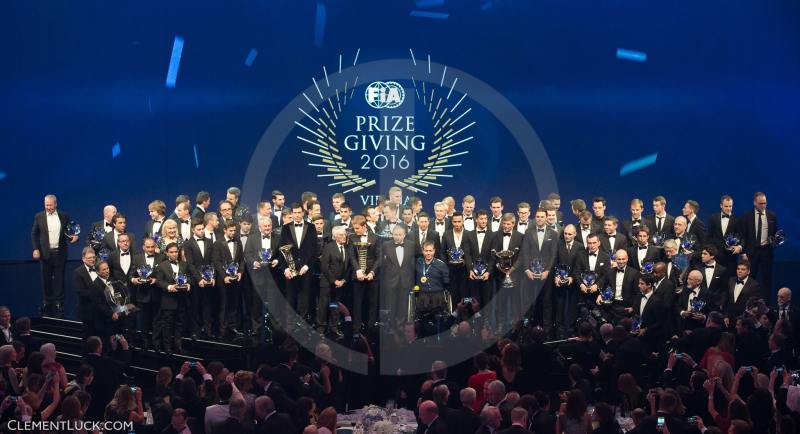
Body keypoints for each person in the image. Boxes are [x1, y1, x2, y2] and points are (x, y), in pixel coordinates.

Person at [31, 194, 78, 317]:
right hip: (45, 253)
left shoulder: (64, 215)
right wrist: (36, 249)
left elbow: (69, 232)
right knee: (45, 279)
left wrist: (74, 237)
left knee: (59, 279)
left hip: (60, 253)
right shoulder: (39, 216)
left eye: (50, 205)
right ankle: (47, 302)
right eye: (46, 205)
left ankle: (59, 303)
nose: (48, 207)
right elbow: (34, 234)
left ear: (55, 204)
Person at [279, 202, 318, 321]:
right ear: (292, 213)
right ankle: (291, 323)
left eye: (299, 212)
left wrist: (307, 266)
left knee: (305, 296)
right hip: (290, 268)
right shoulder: (285, 228)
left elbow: (313, 249)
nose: (297, 215)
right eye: (294, 213)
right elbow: (281, 249)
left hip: (305, 268)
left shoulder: (311, 227)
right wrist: (285, 268)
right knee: (291, 296)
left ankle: (303, 322)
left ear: (303, 213)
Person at [737, 192, 778, 301]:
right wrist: (743, 253)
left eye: (765, 203)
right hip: (751, 252)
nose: (763, 205)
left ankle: (766, 307)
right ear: (755, 203)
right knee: (750, 280)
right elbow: (742, 236)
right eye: (760, 203)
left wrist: (775, 240)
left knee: (766, 280)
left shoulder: (772, 215)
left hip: (766, 252)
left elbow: (775, 233)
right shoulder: (746, 217)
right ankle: (748, 305)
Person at [317, 226, 353, 335]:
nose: (344, 237)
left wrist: (343, 280)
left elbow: (350, 266)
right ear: (335, 236)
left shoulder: (347, 247)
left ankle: (334, 327)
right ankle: (321, 328)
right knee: (323, 305)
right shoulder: (329, 247)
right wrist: (334, 281)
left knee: (336, 306)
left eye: (344, 234)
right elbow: (324, 266)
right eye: (341, 235)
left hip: (341, 283)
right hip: (327, 282)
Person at [213, 220, 244, 339]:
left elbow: (241, 259)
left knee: (234, 304)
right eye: (230, 231)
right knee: (224, 304)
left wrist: (240, 272)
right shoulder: (218, 243)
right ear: (224, 230)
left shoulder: (238, 241)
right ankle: (222, 329)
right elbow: (216, 262)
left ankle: (232, 326)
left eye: (234, 231)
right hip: (223, 280)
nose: (233, 233)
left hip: (236, 278)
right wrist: (224, 276)